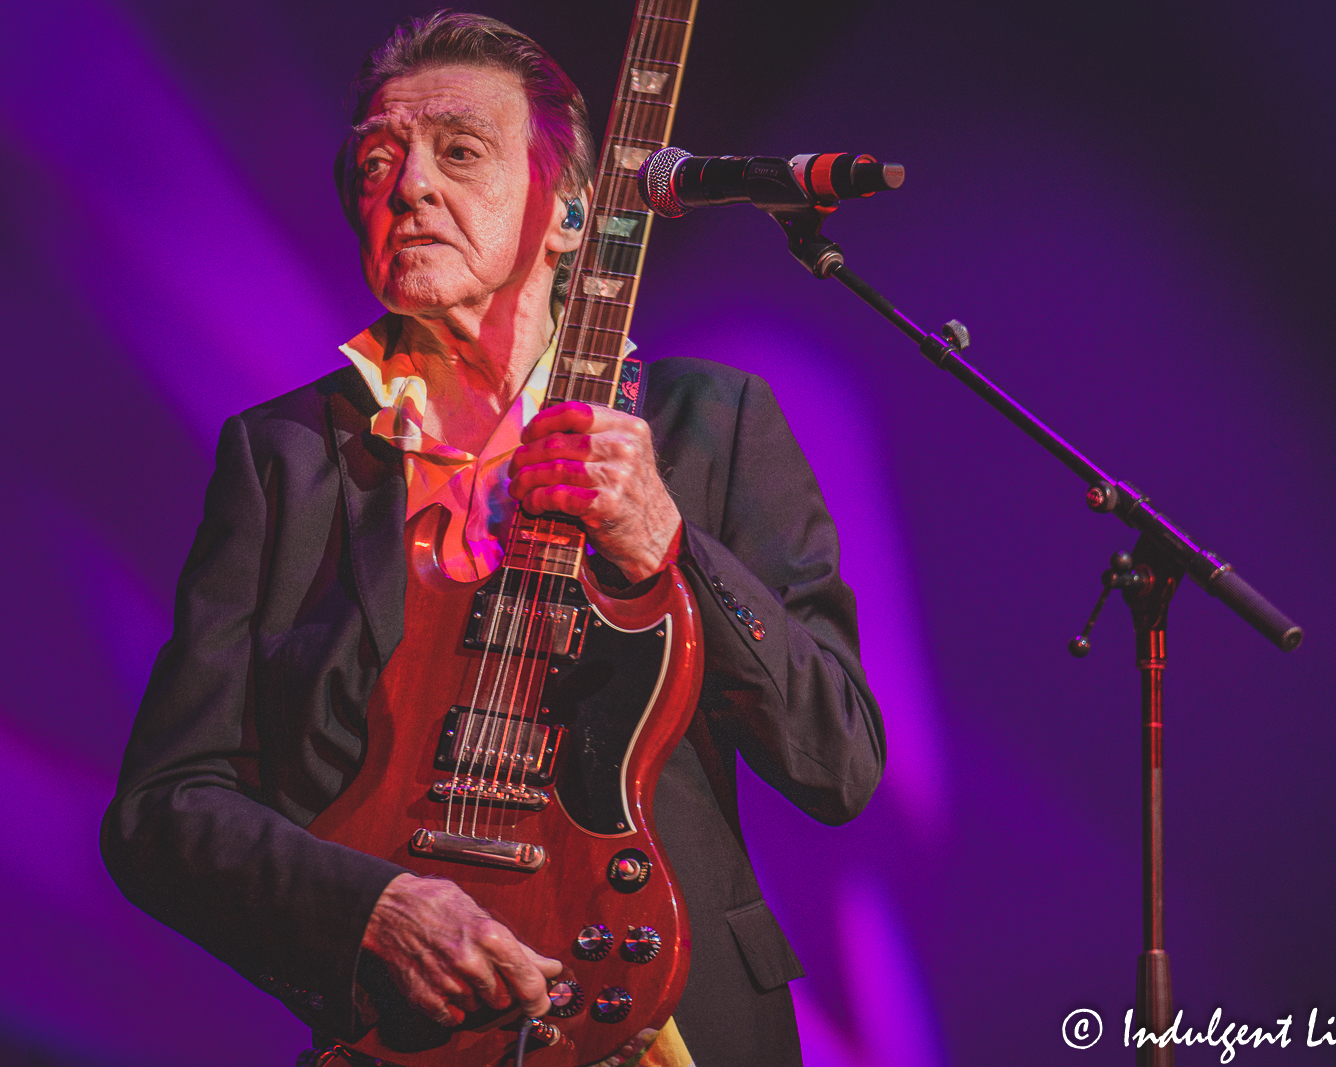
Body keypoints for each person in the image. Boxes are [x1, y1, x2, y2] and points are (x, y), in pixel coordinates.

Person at [100, 12, 885, 1067]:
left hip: (682, 1018)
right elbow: (162, 808)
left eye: (458, 151)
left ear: (570, 214)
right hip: (406, 1036)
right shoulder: (285, 457)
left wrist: (669, 541)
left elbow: (840, 760)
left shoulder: (712, 425)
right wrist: (370, 907)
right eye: (379, 160)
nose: (408, 184)